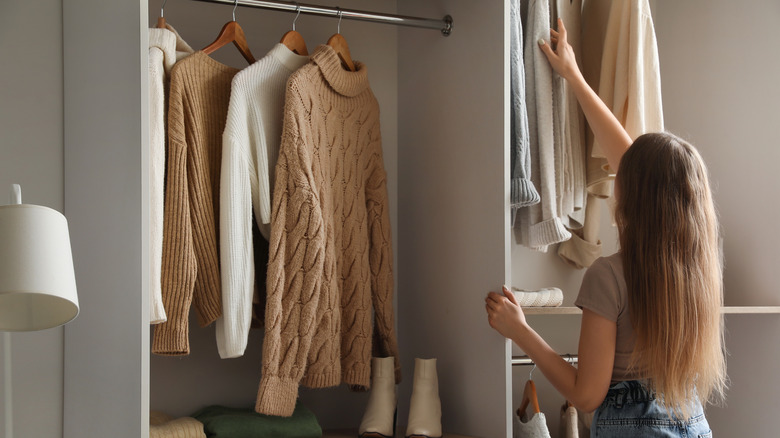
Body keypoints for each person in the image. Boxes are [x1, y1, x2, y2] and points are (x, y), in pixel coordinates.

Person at [485, 19, 727, 437]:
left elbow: (586, 395)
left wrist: (519, 330)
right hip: (693, 423)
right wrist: (574, 78)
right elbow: (637, 164)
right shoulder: (698, 269)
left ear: (631, 195)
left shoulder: (609, 276)